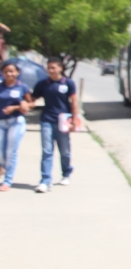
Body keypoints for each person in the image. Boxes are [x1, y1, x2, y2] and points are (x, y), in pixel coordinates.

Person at [30, 57, 78, 193]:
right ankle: (45, 180)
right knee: (47, 151)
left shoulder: (68, 83)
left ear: (60, 68)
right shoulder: (43, 83)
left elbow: (74, 102)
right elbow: (32, 98)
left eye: (53, 68)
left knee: (65, 151)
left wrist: (74, 121)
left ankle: (66, 173)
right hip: (47, 119)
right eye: (49, 68)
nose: (50, 70)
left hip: (63, 121)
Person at [0, 60, 31, 192]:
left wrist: (17, 107)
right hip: (1, 122)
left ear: (17, 72)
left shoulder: (22, 87)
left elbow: (30, 104)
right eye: (6, 71)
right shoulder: (1, 86)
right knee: (1, 151)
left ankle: (8, 180)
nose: (9, 74)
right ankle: (2, 167)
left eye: (11, 71)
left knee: (11, 151)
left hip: (15, 121)